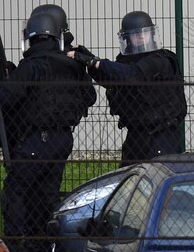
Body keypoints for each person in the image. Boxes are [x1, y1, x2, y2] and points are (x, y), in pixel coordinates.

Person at [0, 11, 96, 252]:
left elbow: (5, 97)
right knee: (46, 194)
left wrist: (7, 77)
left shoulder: (33, 65)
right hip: (63, 139)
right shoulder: (72, 64)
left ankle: (18, 250)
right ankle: (45, 250)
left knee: (16, 191)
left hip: (36, 140)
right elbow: (90, 97)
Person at [70, 10, 187, 167]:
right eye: (135, 34)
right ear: (127, 38)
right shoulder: (127, 61)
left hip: (161, 136)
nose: (140, 36)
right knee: (127, 180)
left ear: (151, 34)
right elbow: (113, 78)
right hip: (137, 135)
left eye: (143, 33)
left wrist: (94, 61)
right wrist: (89, 59)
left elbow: (132, 75)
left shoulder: (161, 60)